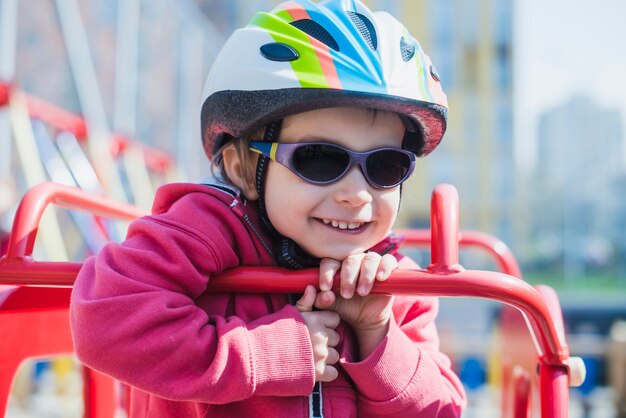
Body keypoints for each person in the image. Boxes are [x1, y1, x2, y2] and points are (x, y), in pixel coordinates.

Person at [70, 0, 466, 416]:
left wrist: (378, 334)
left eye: (385, 166)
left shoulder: (395, 285)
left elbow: (442, 409)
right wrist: (267, 353)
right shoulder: (205, 228)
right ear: (243, 167)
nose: (357, 194)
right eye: (319, 158)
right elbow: (103, 318)